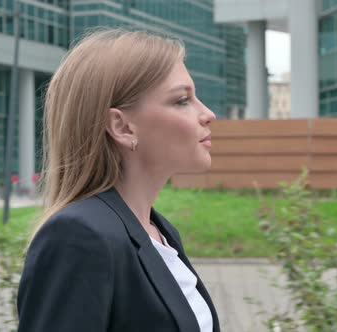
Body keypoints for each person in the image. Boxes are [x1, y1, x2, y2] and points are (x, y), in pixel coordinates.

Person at [16, 28, 219, 332]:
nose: (208, 114)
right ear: (122, 127)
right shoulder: (78, 236)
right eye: (182, 100)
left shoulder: (159, 232)